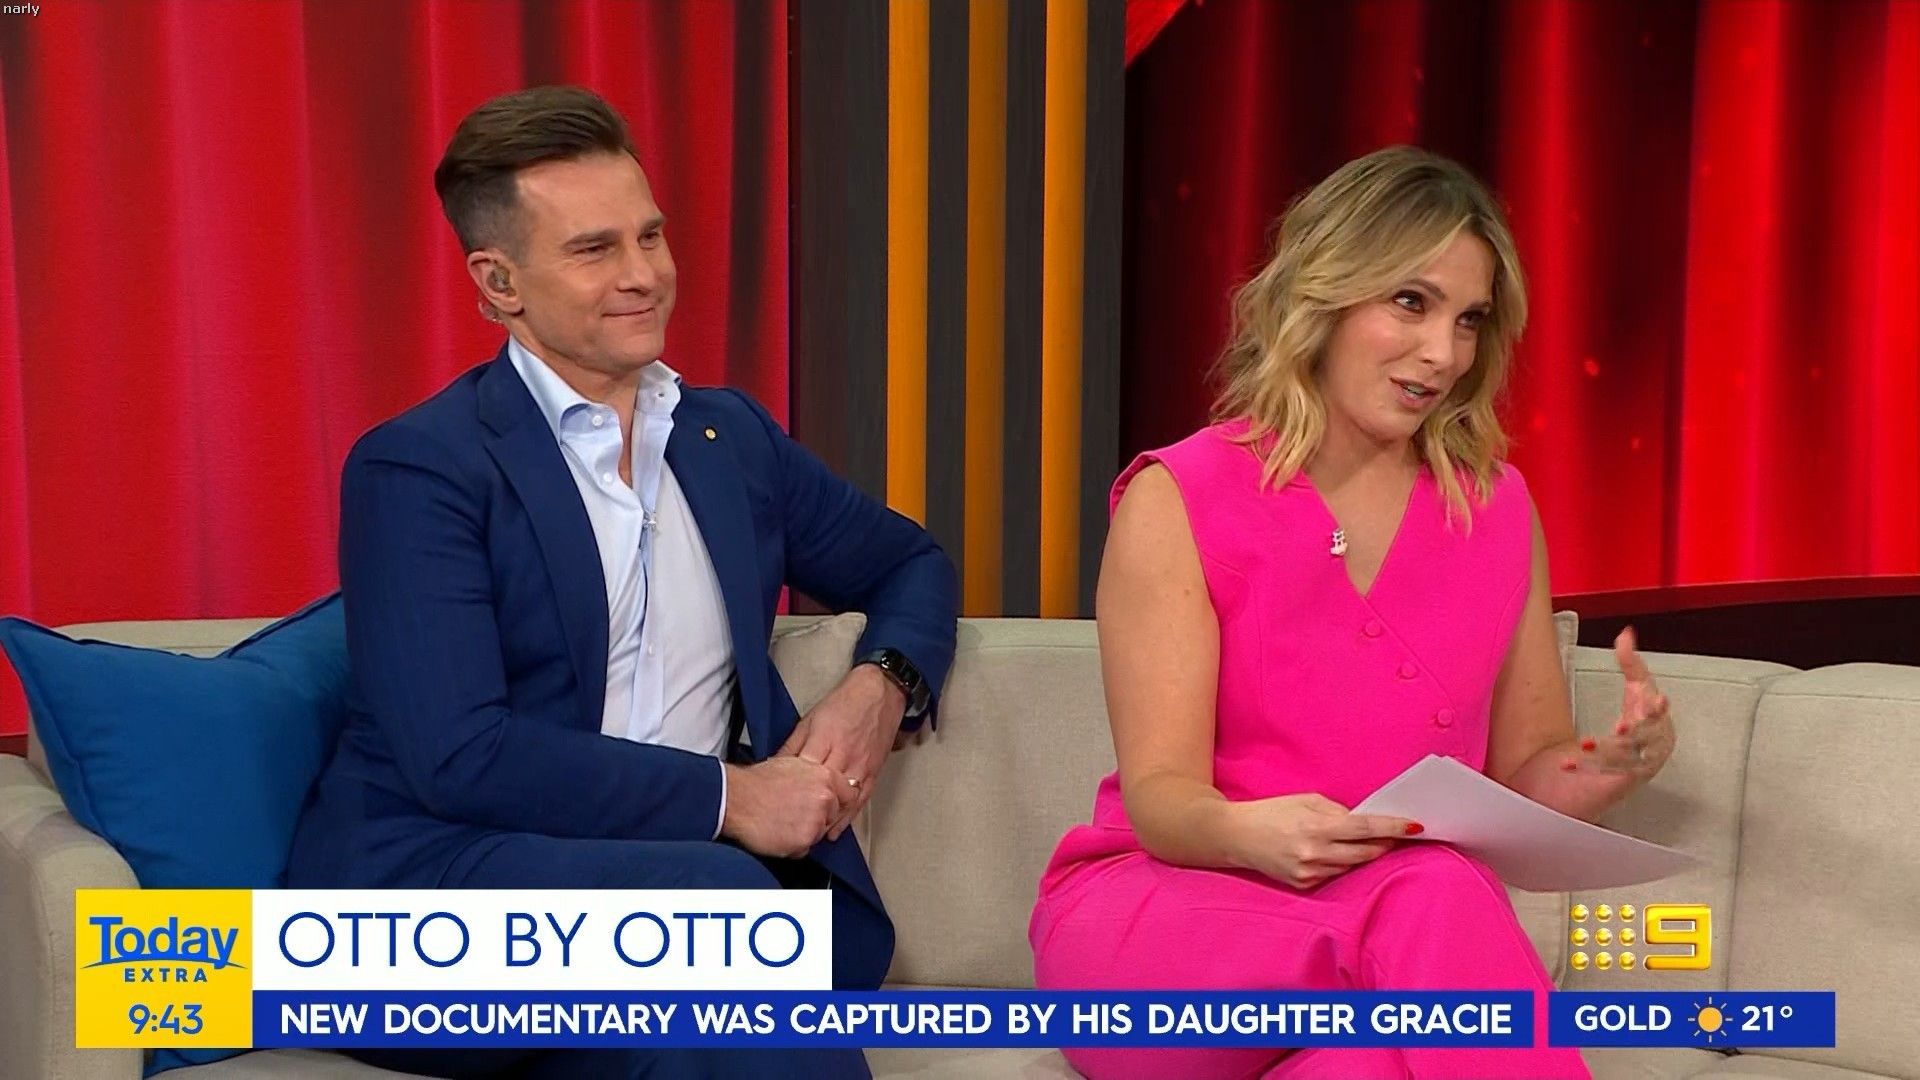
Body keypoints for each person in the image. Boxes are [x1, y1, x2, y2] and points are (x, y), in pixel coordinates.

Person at [286, 85, 958, 1079]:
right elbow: (461, 758)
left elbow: (910, 562)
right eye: (595, 250)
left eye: (651, 236)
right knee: (719, 919)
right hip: (438, 890)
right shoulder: (421, 469)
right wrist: (730, 799)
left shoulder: (730, 441)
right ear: (499, 282)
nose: (645, 275)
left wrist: (880, 686)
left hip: (659, 904)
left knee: (678, 1029)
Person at [1028, 146, 1674, 1079]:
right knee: (1432, 891)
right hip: (1173, 921)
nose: (1444, 353)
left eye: (1469, 320)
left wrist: (1610, 767)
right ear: (1324, 295)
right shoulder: (1181, 497)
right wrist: (1253, 833)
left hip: (1387, 945)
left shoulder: (1494, 509)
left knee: (1372, 1055)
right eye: (1411, 303)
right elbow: (1163, 797)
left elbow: (1525, 774)